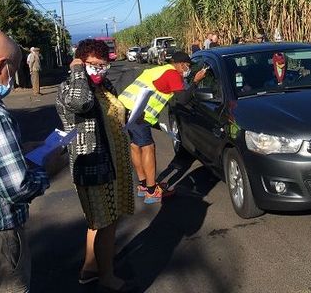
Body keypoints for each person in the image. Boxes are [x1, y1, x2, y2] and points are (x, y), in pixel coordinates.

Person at [56, 39, 134, 291]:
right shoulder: (71, 86)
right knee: (106, 223)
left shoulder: (104, 85)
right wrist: (78, 70)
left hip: (114, 163)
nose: (99, 71)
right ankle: (107, 276)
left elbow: (114, 110)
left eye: (103, 66)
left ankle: (90, 268)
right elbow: (82, 104)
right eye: (93, 65)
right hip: (94, 165)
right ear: (80, 62)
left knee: (101, 221)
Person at [0, 32, 52, 293]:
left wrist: (19, 148)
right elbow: (17, 187)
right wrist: (46, 169)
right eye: (14, 67)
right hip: (3, 234)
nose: (14, 75)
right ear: (1, 67)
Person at [118, 52, 207, 204]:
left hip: (125, 107)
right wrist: (196, 81)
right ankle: (152, 191)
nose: (188, 69)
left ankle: (143, 185)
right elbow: (183, 99)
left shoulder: (160, 69)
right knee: (148, 147)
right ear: (181, 64)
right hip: (139, 113)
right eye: (188, 66)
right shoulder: (172, 74)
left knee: (135, 146)